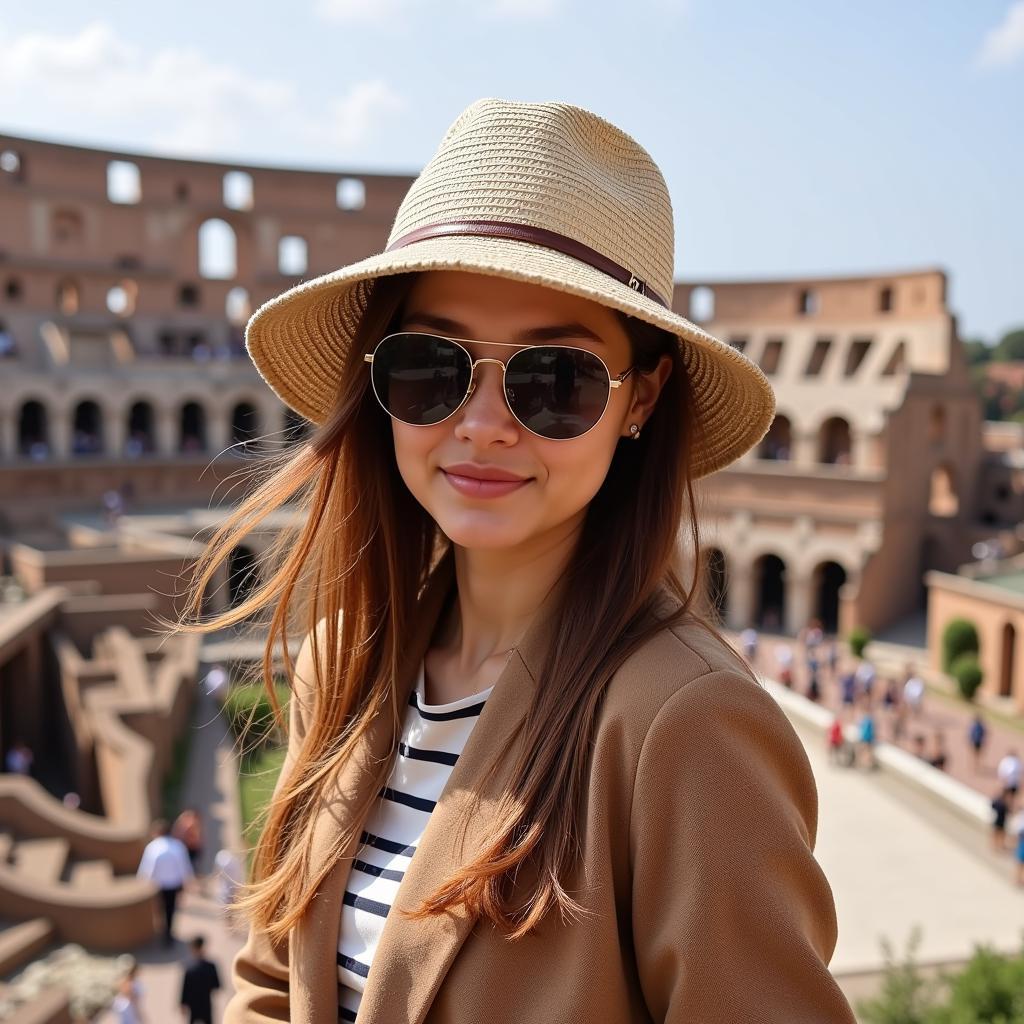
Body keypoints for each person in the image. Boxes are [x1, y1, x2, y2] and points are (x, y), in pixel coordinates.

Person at [173, 98, 856, 1022]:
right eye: (430, 365)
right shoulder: (342, 661)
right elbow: (270, 984)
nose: (483, 425)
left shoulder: (684, 726)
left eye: (555, 380)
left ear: (641, 399)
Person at [136, 819, 194, 946]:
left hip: (159, 885)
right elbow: (184, 867)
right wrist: (187, 882)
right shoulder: (177, 846)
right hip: (173, 884)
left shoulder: (153, 847)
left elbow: (147, 869)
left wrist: (144, 881)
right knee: (170, 909)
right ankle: (168, 932)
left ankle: (164, 932)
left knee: (160, 909)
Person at [180, 935, 221, 1024]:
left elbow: (185, 988)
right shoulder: (211, 966)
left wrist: (182, 1004)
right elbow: (217, 985)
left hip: (193, 1004)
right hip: (206, 1003)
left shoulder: (189, 967)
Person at [172, 807, 204, 874]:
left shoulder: (192, 823)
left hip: (192, 848)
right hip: (188, 847)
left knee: (192, 865)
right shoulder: (189, 823)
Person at [991, 786, 1012, 852]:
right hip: (1000, 820)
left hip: (1000, 820)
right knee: (999, 833)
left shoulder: (1001, 802)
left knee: (999, 833)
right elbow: (1008, 812)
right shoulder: (1002, 803)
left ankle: (997, 845)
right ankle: (997, 845)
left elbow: (993, 806)